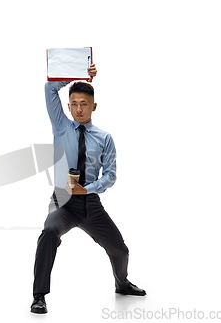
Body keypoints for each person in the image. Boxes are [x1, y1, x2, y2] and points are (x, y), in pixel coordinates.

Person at [31, 64, 146, 314]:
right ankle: (39, 295)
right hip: (62, 201)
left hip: (91, 204)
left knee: (120, 250)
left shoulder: (104, 138)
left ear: (94, 106)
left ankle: (122, 283)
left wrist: (88, 189)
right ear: (69, 106)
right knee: (49, 233)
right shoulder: (61, 126)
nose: (79, 108)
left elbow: (111, 175)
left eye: (84, 103)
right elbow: (50, 87)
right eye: (74, 103)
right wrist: (80, 73)